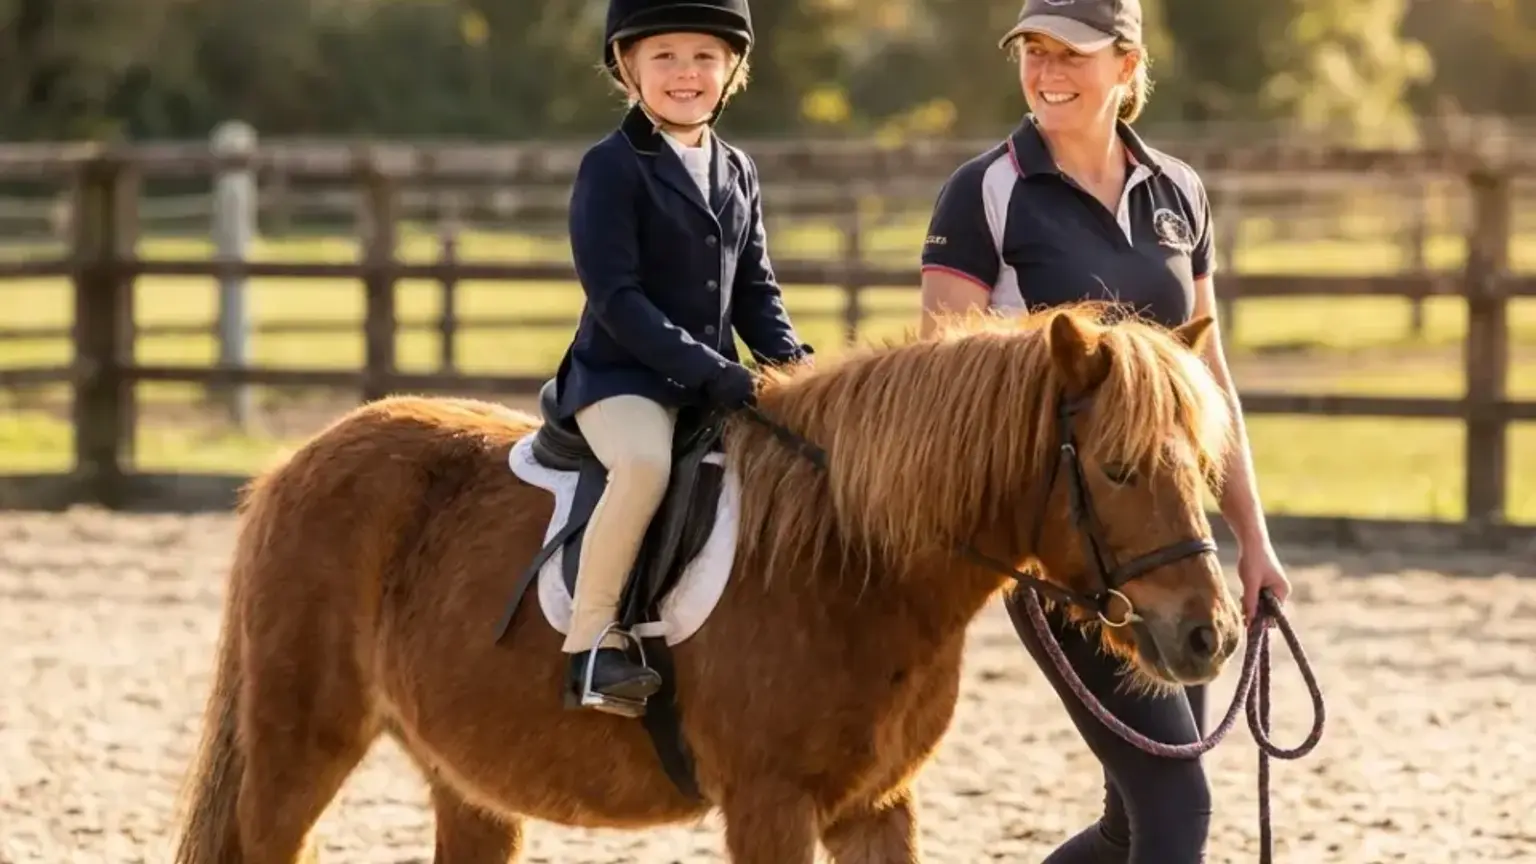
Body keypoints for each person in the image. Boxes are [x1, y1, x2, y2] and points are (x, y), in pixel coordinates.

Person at [917, 0, 1292, 860]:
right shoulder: (987, 191)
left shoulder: (1179, 191)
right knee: (1176, 807)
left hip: (1169, 540)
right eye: (1033, 53)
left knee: (1137, 816)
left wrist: (1254, 543)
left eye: (1072, 56)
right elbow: (941, 378)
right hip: (1069, 551)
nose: (1047, 73)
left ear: (1126, 67)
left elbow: (1209, 382)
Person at [553, 0, 814, 712]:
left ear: (733, 69)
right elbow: (618, 297)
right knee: (643, 466)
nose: (685, 73)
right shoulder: (611, 167)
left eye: (704, 56)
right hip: (621, 377)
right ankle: (592, 644)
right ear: (628, 69)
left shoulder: (737, 169)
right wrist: (714, 371)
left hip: (713, 380)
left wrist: (792, 364)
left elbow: (756, 288)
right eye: (663, 56)